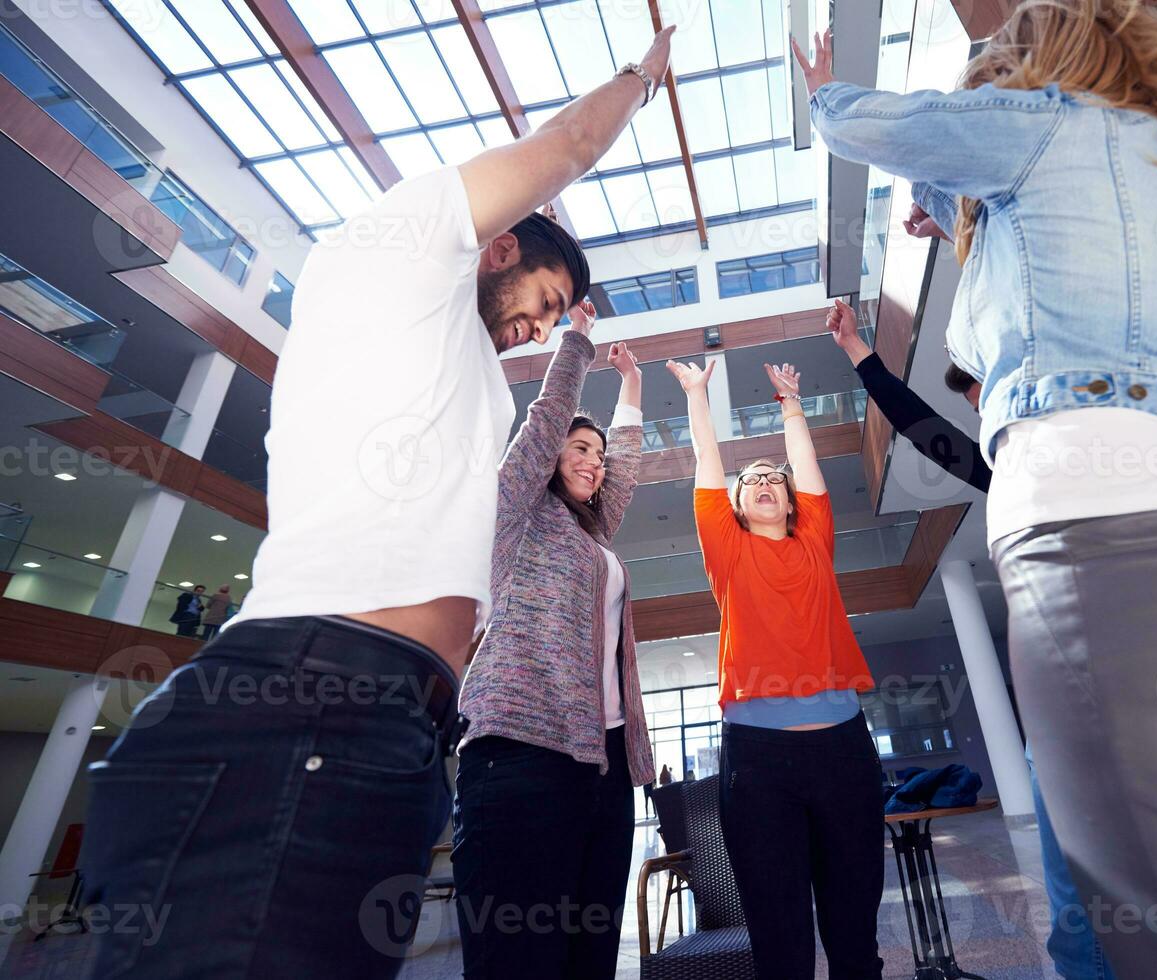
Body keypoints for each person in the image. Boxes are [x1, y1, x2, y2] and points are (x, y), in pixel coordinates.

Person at [796, 3, 1157, 977]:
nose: (988, 398)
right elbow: (943, 427)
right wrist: (893, 296)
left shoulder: (1048, 124)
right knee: (1091, 943)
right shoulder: (1145, 173)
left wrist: (825, 95)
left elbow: (896, 128)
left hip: (1125, 599)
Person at [79, 25, 676, 980]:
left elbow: (548, 443)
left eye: (558, 318)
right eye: (545, 294)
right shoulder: (397, 254)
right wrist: (642, 78)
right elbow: (565, 149)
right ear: (496, 246)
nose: (541, 324)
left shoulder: (470, 375)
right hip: (311, 695)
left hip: (391, 717)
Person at [828, 299, 1113, 979]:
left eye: (1000, 400)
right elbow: (926, 430)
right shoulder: (1004, 474)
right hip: (1058, 700)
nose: (992, 421)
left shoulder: (1099, 457)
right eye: (984, 408)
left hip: (1130, 679)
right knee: (1075, 913)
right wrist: (858, 355)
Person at [452, 303, 655, 979]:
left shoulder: (592, 536)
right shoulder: (515, 512)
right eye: (580, 449)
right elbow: (543, 427)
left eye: (596, 454)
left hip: (602, 767)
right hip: (519, 754)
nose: (594, 464)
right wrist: (578, 343)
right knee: (519, 961)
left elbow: (622, 467)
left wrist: (633, 388)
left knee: (588, 957)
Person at [668, 356, 883, 980]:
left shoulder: (814, 540)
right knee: (779, 937)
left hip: (843, 754)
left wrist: (792, 404)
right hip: (758, 766)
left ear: (792, 503)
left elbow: (811, 474)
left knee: (852, 933)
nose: (763, 483)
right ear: (735, 506)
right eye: (752, 480)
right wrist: (697, 397)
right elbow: (708, 466)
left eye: (774, 480)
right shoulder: (726, 552)